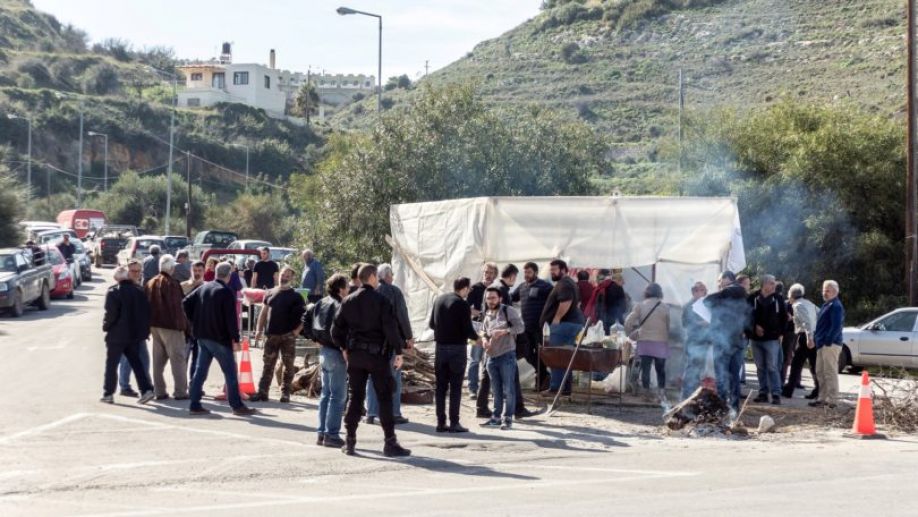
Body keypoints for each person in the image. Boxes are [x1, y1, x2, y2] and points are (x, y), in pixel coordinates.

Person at [332, 264, 410, 457]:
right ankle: (390, 442)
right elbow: (390, 329)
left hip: (356, 356)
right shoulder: (382, 301)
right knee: (384, 397)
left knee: (355, 397)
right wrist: (398, 352)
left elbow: (335, 330)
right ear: (373, 277)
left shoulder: (348, 300)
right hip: (377, 357)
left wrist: (344, 348)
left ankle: (350, 441)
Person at [183, 261, 256, 416]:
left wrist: (195, 321)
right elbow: (231, 319)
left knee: (200, 372)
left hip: (202, 335)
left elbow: (185, 302)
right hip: (219, 338)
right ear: (229, 275)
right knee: (230, 372)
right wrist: (235, 339)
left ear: (216, 273)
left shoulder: (204, 287)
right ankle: (237, 405)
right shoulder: (226, 292)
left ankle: (194, 404)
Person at [430, 277, 481, 433]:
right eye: (469, 289)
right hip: (457, 349)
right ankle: (454, 422)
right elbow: (468, 329)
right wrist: (479, 339)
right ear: (464, 288)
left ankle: (440, 422)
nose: (469, 292)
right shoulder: (462, 304)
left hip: (440, 348)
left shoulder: (439, 300)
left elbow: (432, 324)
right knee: (456, 387)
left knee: (440, 387)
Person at [101, 266, 155, 405]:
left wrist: (106, 326)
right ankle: (146, 390)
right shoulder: (139, 291)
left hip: (117, 334)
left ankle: (108, 393)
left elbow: (110, 314)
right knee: (136, 363)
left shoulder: (113, 292)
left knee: (111, 364)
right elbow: (146, 313)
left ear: (116, 278)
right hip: (134, 334)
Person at [251, 266, 306, 403]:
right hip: (271, 335)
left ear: (292, 278)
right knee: (268, 365)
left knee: (288, 366)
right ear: (278, 275)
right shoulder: (270, 292)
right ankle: (262, 392)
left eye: (288, 275)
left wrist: (296, 331)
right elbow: (263, 313)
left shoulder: (296, 296)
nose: (284, 277)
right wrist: (258, 330)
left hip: (288, 336)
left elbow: (305, 317)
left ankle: (285, 393)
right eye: (283, 274)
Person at [366, 263, 412, 425]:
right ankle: (393, 413)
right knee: (393, 377)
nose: (392, 277)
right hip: (390, 342)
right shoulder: (393, 291)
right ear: (387, 276)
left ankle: (371, 413)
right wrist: (408, 337)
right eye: (391, 274)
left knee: (372, 378)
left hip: (371, 344)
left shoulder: (369, 292)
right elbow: (402, 315)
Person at [310, 274, 349, 448]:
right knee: (338, 396)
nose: (349, 289)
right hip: (335, 352)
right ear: (341, 289)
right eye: (347, 286)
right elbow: (340, 331)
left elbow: (308, 320)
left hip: (325, 351)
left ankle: (322, 433)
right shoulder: (340, 305)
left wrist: (315, 338)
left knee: (326, 394)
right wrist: (345, 348)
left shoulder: (321, 302)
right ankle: (331, 434)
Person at [538, 259, 586, 396]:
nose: (552, 272)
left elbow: (566, 301)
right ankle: (564, 388)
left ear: (563, 270)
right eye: (551, 270)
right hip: (570, 324)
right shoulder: (568, 282)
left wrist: (556, 319)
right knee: (565, 357)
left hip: (564, 325)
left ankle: (556, 387)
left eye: (555, 270)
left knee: (557, 356)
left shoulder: (564, 283)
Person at [704, 271, 751, 411]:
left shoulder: (727, 292)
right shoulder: (744, 295)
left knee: (721, 375)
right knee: (734, 376)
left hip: (723, 340)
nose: (719, 284)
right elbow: (750, 316)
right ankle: (734, 408)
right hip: (738, 340)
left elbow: (707, 301)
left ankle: (722, 407)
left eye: (720, 280)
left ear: (728, 279)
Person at [146, 254, 190, 401]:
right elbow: (177, 307)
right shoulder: (172, 283)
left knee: (158, 361)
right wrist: (184, 326)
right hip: (171, 326)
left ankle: (159, 391)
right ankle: (180, 391)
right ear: (171, 268)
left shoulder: (151, 282)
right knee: (178, 359)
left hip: (154, 325)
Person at [480, 287, 525, 430]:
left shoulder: (508, 310)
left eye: (493, 298)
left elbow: (521, 327)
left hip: (506, 355)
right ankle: (496, 417)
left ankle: (508, 418)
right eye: (488, 298)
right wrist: (484, 340)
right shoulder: (487, 314)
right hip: (491, 356)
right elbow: (483, 331)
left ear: (500, 298)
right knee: (495, 389)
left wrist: (505, 331)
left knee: (509, 389)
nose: (491, 301)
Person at [511, 262, 553, 391]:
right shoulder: (522, 286)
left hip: (539, 327)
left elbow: (555, 300)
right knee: (526, 352)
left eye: (529, 272)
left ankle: (541, 381)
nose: (526, 275)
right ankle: (544, 374)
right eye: (525, 272)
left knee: (540, 353)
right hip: (525, 327)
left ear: (535, 272)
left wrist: (550, 319)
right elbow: (511, 298)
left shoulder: (544, 286)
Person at [625, 283, 671, 399]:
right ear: (659, 292)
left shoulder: (640, 306)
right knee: (660, 369)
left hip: (645, 341)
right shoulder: (665, 307)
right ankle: (661, 393)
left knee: (646, 368)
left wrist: (630, 333)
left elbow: (628, 321)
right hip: (660, 342)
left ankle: (646, 392)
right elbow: (668, 326)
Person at [750, 275, 786, 405]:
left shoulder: (778, 298)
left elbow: (784, 317)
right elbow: (746, 315)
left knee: (772, 367)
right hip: (755, 339)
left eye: (774, 283)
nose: (774, 285)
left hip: (772, 339)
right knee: (760, 367)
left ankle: (776, 394)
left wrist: (781, 333)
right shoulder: (753, 297)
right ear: (764, 284)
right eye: (771, 283)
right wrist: (754, 327)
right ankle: (763, 393)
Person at [117, 260, 152, 397]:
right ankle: (125, 387)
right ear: (127, 272)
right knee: (127, 360)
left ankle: (146, 386)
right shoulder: (123, 288)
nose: (136, 274)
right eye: (133, 271)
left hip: (139, 333)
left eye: (138, 271)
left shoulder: (139, 287)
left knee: (144, 359)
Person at [811, 280, 844, 409]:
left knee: (830, 372)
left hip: (830, 344)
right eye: (824, 290)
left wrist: (828, 341)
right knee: (820, 371)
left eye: (827, 290)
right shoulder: (827, 304)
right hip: (822, 343)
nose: (824, 292)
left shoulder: (836, 306)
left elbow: (836, 326)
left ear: (835, 291)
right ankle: (822, 398)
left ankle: (833, 400)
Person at [466, 263, 498, 398]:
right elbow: (467, 308)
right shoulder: (475, 288)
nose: (488, 275)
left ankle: (490, 389)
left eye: (490, 272)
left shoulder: (497, 289)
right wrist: (481, 314)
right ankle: (472, 389)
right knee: (474, 358)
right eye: (486, 272)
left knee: (491, 359)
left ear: (495, 274)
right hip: (477, 328)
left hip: (493, 328)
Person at [782, 283, 818, 400]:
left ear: (791, 295)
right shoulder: (809, 303)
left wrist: (809, 338)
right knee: (813, 364)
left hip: (806, 337)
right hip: (813, 334)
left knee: (796, 364)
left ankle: (788, 390)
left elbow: (806, 322)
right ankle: (818, 389)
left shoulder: (797, 305)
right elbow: (818, 314)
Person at [681, 281, 710, 400]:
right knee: (691, 369)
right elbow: (685, 323)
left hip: (704, 341)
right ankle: (686, 395)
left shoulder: (706, 305)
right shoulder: (688, 306)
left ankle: (695, 396)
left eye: (703, 290)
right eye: (698, 290)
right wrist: (700, 323)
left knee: (700, 370)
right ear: (694, 292)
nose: (701, 293)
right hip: (693, 341)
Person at [181, 260, 206, 381]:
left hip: (200, 327)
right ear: (191, 271)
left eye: (199, 271)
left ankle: (194, 384)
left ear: (204, 271)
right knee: (183, 358)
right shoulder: (183, 286)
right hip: (185, 327)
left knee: (197, 359)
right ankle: (182, 385)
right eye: (194, 270)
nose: (197, 273)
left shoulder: (207, 287)